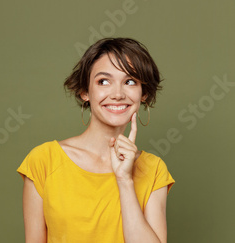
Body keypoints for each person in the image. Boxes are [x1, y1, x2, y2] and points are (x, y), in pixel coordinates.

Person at [17, 37, 176, 243]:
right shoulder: (43, 160)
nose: (117, 94)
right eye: (104, 81)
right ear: (85, 92)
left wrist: (125, 181)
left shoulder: (154, 170)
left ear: (143, 93)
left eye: (130, 81)